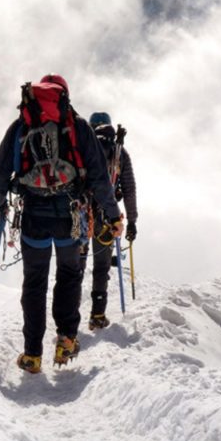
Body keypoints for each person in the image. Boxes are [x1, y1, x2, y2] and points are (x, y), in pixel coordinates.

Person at [0, 76, 120, 373]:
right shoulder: (77, 126)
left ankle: (32, 353)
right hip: (70, 218)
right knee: (69, 276)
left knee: (34, 283)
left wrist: (0, 206)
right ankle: (66, 339)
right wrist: (113, 216)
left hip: (33, 216)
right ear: (64, 97)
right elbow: (99, 178)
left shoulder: (21, 126)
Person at [81, 114, 138, 329]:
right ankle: (97, 314)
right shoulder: (119, 153)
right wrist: (131, 221)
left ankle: (69, 319)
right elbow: (130, 189)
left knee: (76, 265)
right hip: (108, 217)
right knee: (101, 267)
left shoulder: (82, 148)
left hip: (82, 215)